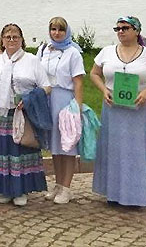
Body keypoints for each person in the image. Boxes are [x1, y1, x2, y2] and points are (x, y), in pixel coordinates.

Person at [90, 16, 146, 208]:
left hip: (138, 109)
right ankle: (113, 193)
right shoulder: (106, 52)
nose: (120, 32)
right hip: (113, 109)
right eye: (117, 29)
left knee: (134, 151)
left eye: (125, 28)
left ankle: (135, 195)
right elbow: (94, 73)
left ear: (136, 30)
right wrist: (103, 90)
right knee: (113, 149)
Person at [0, 24, 51, 206]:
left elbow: (46, 86)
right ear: (2, 40)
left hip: (23, 113)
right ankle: (5, 190)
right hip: (1, 113)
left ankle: (21, 190)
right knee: (2, 152)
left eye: (15, 37)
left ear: (21, 39)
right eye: (8, 37)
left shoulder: (32, 60)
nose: (11, 40)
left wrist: (29, 99)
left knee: (20, 150)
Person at [38, 17, 85, 204]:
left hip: (65, 99)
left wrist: (77, 107)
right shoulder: (44, 50)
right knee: (56, 145)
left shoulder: (73, 53)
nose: (56, 33)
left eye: (60, 30)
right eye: (53, 29)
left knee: (68, 143)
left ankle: (66, 186)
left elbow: (79, 81)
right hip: (48, 98)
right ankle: (57, 183)